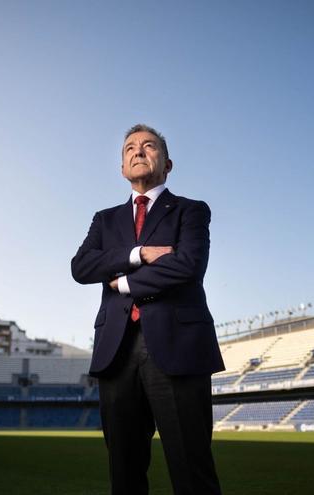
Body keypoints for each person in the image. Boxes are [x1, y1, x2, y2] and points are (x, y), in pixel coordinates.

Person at [71, 124, 224, 494]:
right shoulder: (104, 220)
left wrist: (123, 280)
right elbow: (81, 268)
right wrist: (139, 254)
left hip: (177, 347)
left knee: (192, 469)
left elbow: (187, 266)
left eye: (148, 146)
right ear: (123, 168)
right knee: (124, 472)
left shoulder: (191, 210)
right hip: (116, 353)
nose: (137, 151)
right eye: (129, 149)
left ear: (167, 163)